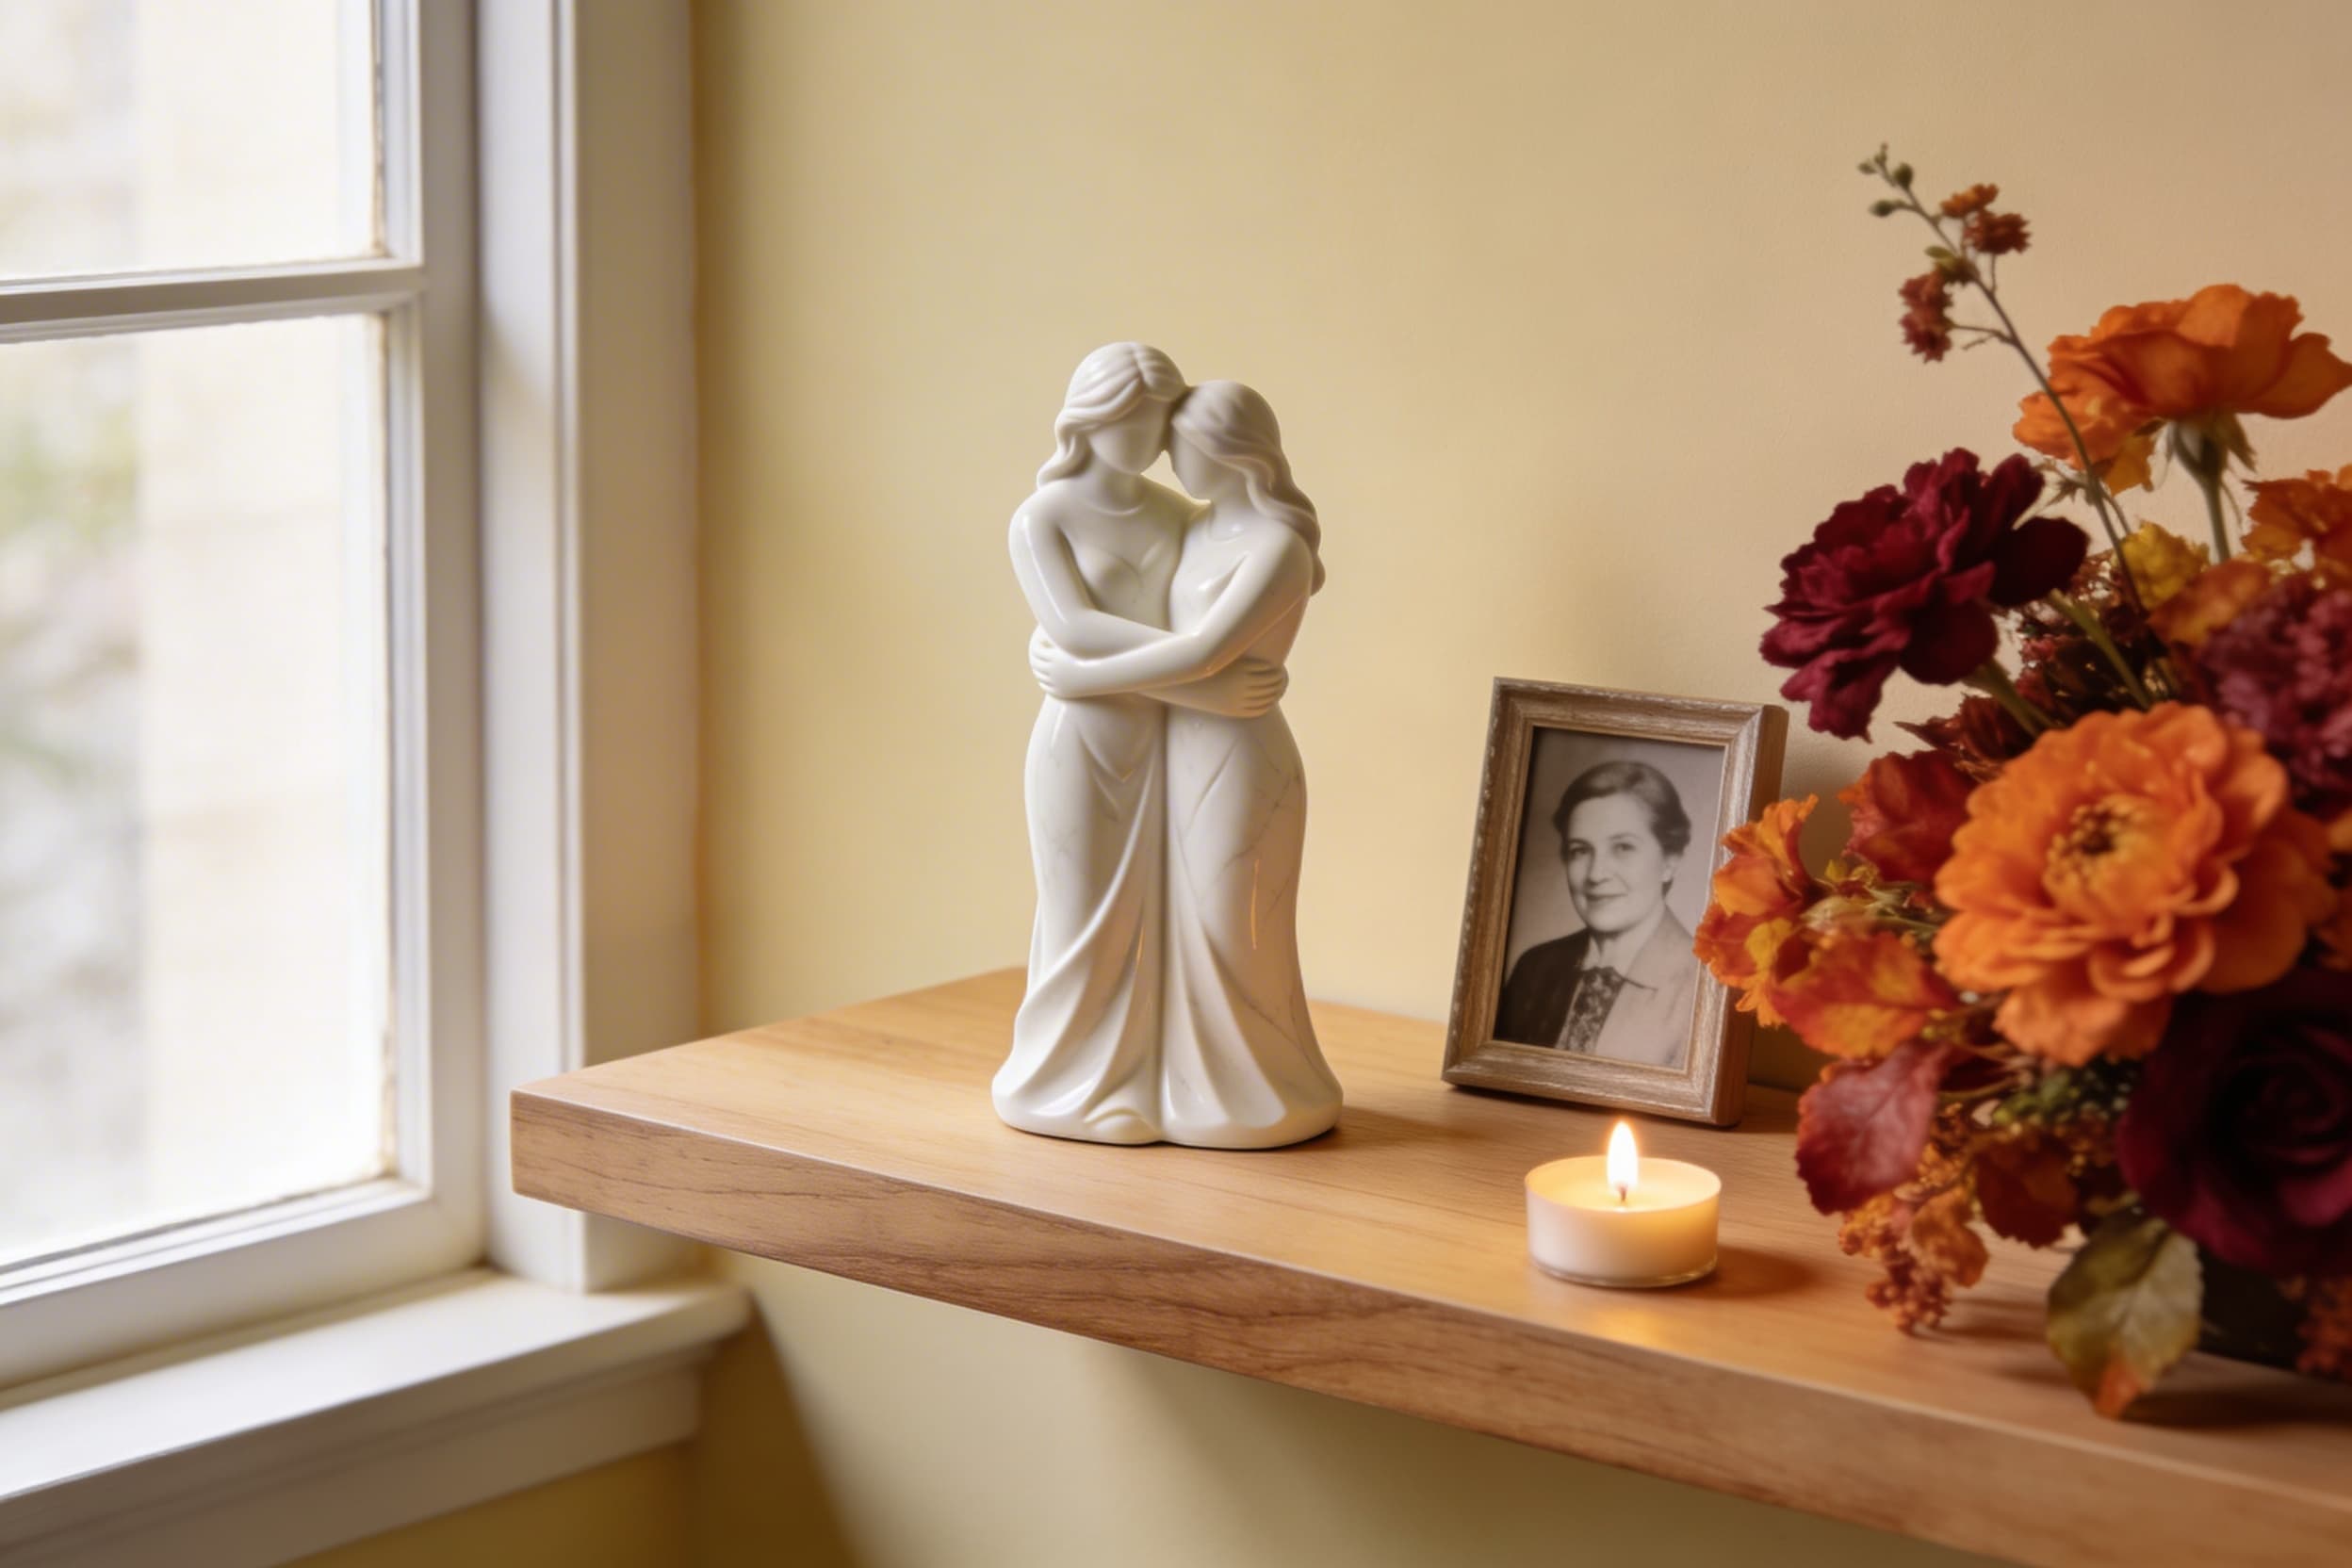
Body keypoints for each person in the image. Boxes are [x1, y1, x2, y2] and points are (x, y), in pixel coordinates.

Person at [1025, 380, 1342, 1148]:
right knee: (1165, 923)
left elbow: (1207, 655)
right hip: (1176, 742)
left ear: (1236, 455)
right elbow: (1192, 669)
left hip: (1239, 752)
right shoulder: (1193, 528)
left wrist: (1082, 674)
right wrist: (1180, 690)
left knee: (1234, 931)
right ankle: (1164, 1083)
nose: (1165, 456)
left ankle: (1256, 1094)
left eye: (1179, 443)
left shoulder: (1278, 547)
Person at [1493, 760, 1697, 1068]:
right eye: (1580, 850)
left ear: (1670, 860)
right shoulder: (1534, 969)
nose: (1596, 874)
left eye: (1623, 848)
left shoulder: (1701, 989)